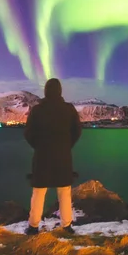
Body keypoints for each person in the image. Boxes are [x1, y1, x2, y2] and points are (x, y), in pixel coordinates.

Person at [23, 78, 82, 235]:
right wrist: (66, 145)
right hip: (63, 157)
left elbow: (28, 133)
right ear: (60, 91)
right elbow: (77, 131)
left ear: (46, 91)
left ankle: (33, 226)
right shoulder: (69, 109)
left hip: (42, 157)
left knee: (39, 192)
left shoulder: (37, 110)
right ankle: (67, 226)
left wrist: (39, 146)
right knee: (64, 192)